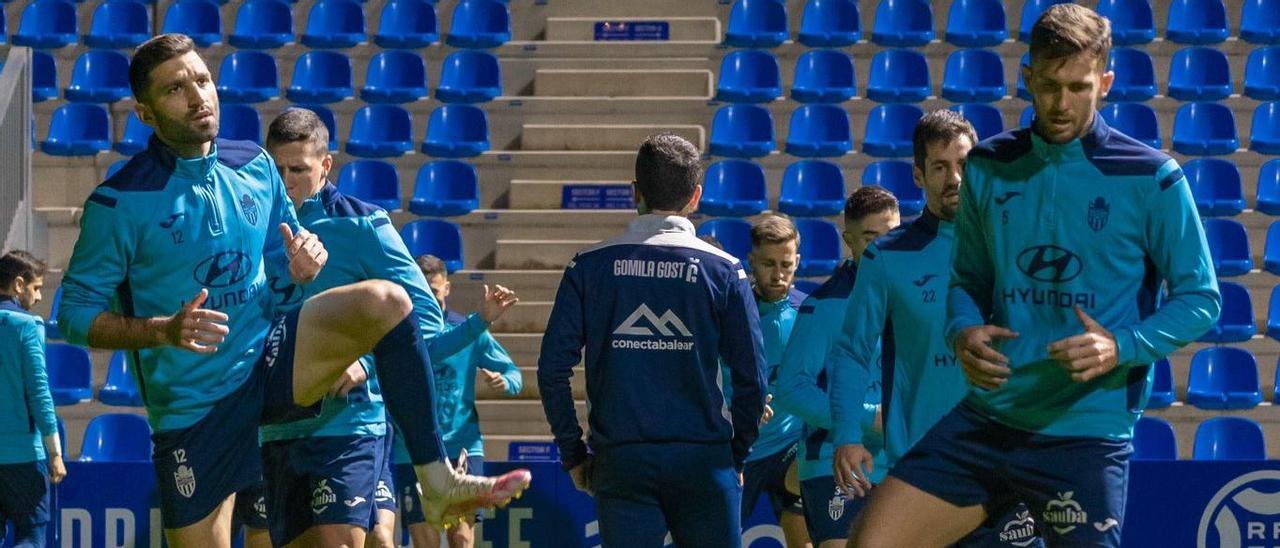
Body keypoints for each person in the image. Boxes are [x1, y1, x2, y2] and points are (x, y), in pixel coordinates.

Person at [57, 34, 530, 547]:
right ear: (146, 114)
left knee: (387, 301)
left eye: (202, 79)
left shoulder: (253, 165)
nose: (198, 97)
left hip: (268, 364)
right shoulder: (119, 202)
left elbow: (283, 250)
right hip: (195, 407)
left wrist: (301, 262)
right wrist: (162, 330)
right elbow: (74, 316)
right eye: (176, 89)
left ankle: (436, 480)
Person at [849, 6, 1221, 546]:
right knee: (872, 542)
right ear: (1027, 78)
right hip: (988, 420)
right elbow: (968, 281)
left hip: (1084, 431)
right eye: (1048, 86)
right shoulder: (990, 165)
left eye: (1079, 86)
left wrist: (1123, 345)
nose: (1062, 103)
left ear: (1106, 83)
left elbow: (1201, 299)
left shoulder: (1152, 177)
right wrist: (963, 329)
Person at [255, 109, 521, 547]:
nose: (286, 181)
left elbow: (425, 329)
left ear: (325, 166)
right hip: (275, 426)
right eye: (277, 168)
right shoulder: (255, 226)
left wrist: (365, 362)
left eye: (298, 169)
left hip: (348, 424)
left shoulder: (364, 225)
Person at [538, 133, 767, 547]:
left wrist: (573, 452)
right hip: (705, 461)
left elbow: (552, 369)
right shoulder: (726, 270)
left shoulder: (588, 266)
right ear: (696, 196)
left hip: (622, 462)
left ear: (634, 193)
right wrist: (736, 453)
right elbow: (752, 378)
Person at [829, 110, 1042, 547]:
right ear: (919, 176)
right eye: (940, 167)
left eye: (963, 164)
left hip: (1007, 468)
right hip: (924, 474)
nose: (955, 178)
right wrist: (848, 435)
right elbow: (852, 351)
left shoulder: (1016, 247)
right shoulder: (887, 257)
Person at [773, 187, 900, 548]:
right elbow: (792, 388)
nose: (882, 249)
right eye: (870, 239)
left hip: (900, 461)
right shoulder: (824, 306)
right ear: (850, 241)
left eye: (891, 236)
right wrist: (866, 417)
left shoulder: (914, 297)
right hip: (833, 461)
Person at [393, 255, 525, 548]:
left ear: (448, 288)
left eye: (435, 290)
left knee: (462, 538)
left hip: (462, 446)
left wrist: (506, 382)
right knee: (424, 539)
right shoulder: (398, 336)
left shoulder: (469, 331)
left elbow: (514, 374)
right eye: (422, 290)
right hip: (410, 451)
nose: (429, 296)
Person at [740, 215, 809, 547]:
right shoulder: (731, 311)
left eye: (786, 264)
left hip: (790, 446)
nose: (778, 274)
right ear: (752, 260)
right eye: (768, 263)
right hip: (740, 451)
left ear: (797, 261)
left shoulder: (809, 313)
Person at [0, 251, 65, 548]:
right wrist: (55, 452)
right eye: (36, 287)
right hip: (22, 455)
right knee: (32, 535)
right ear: (17, 285)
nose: (39, 297)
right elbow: (39, 392)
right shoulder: (26, 325)